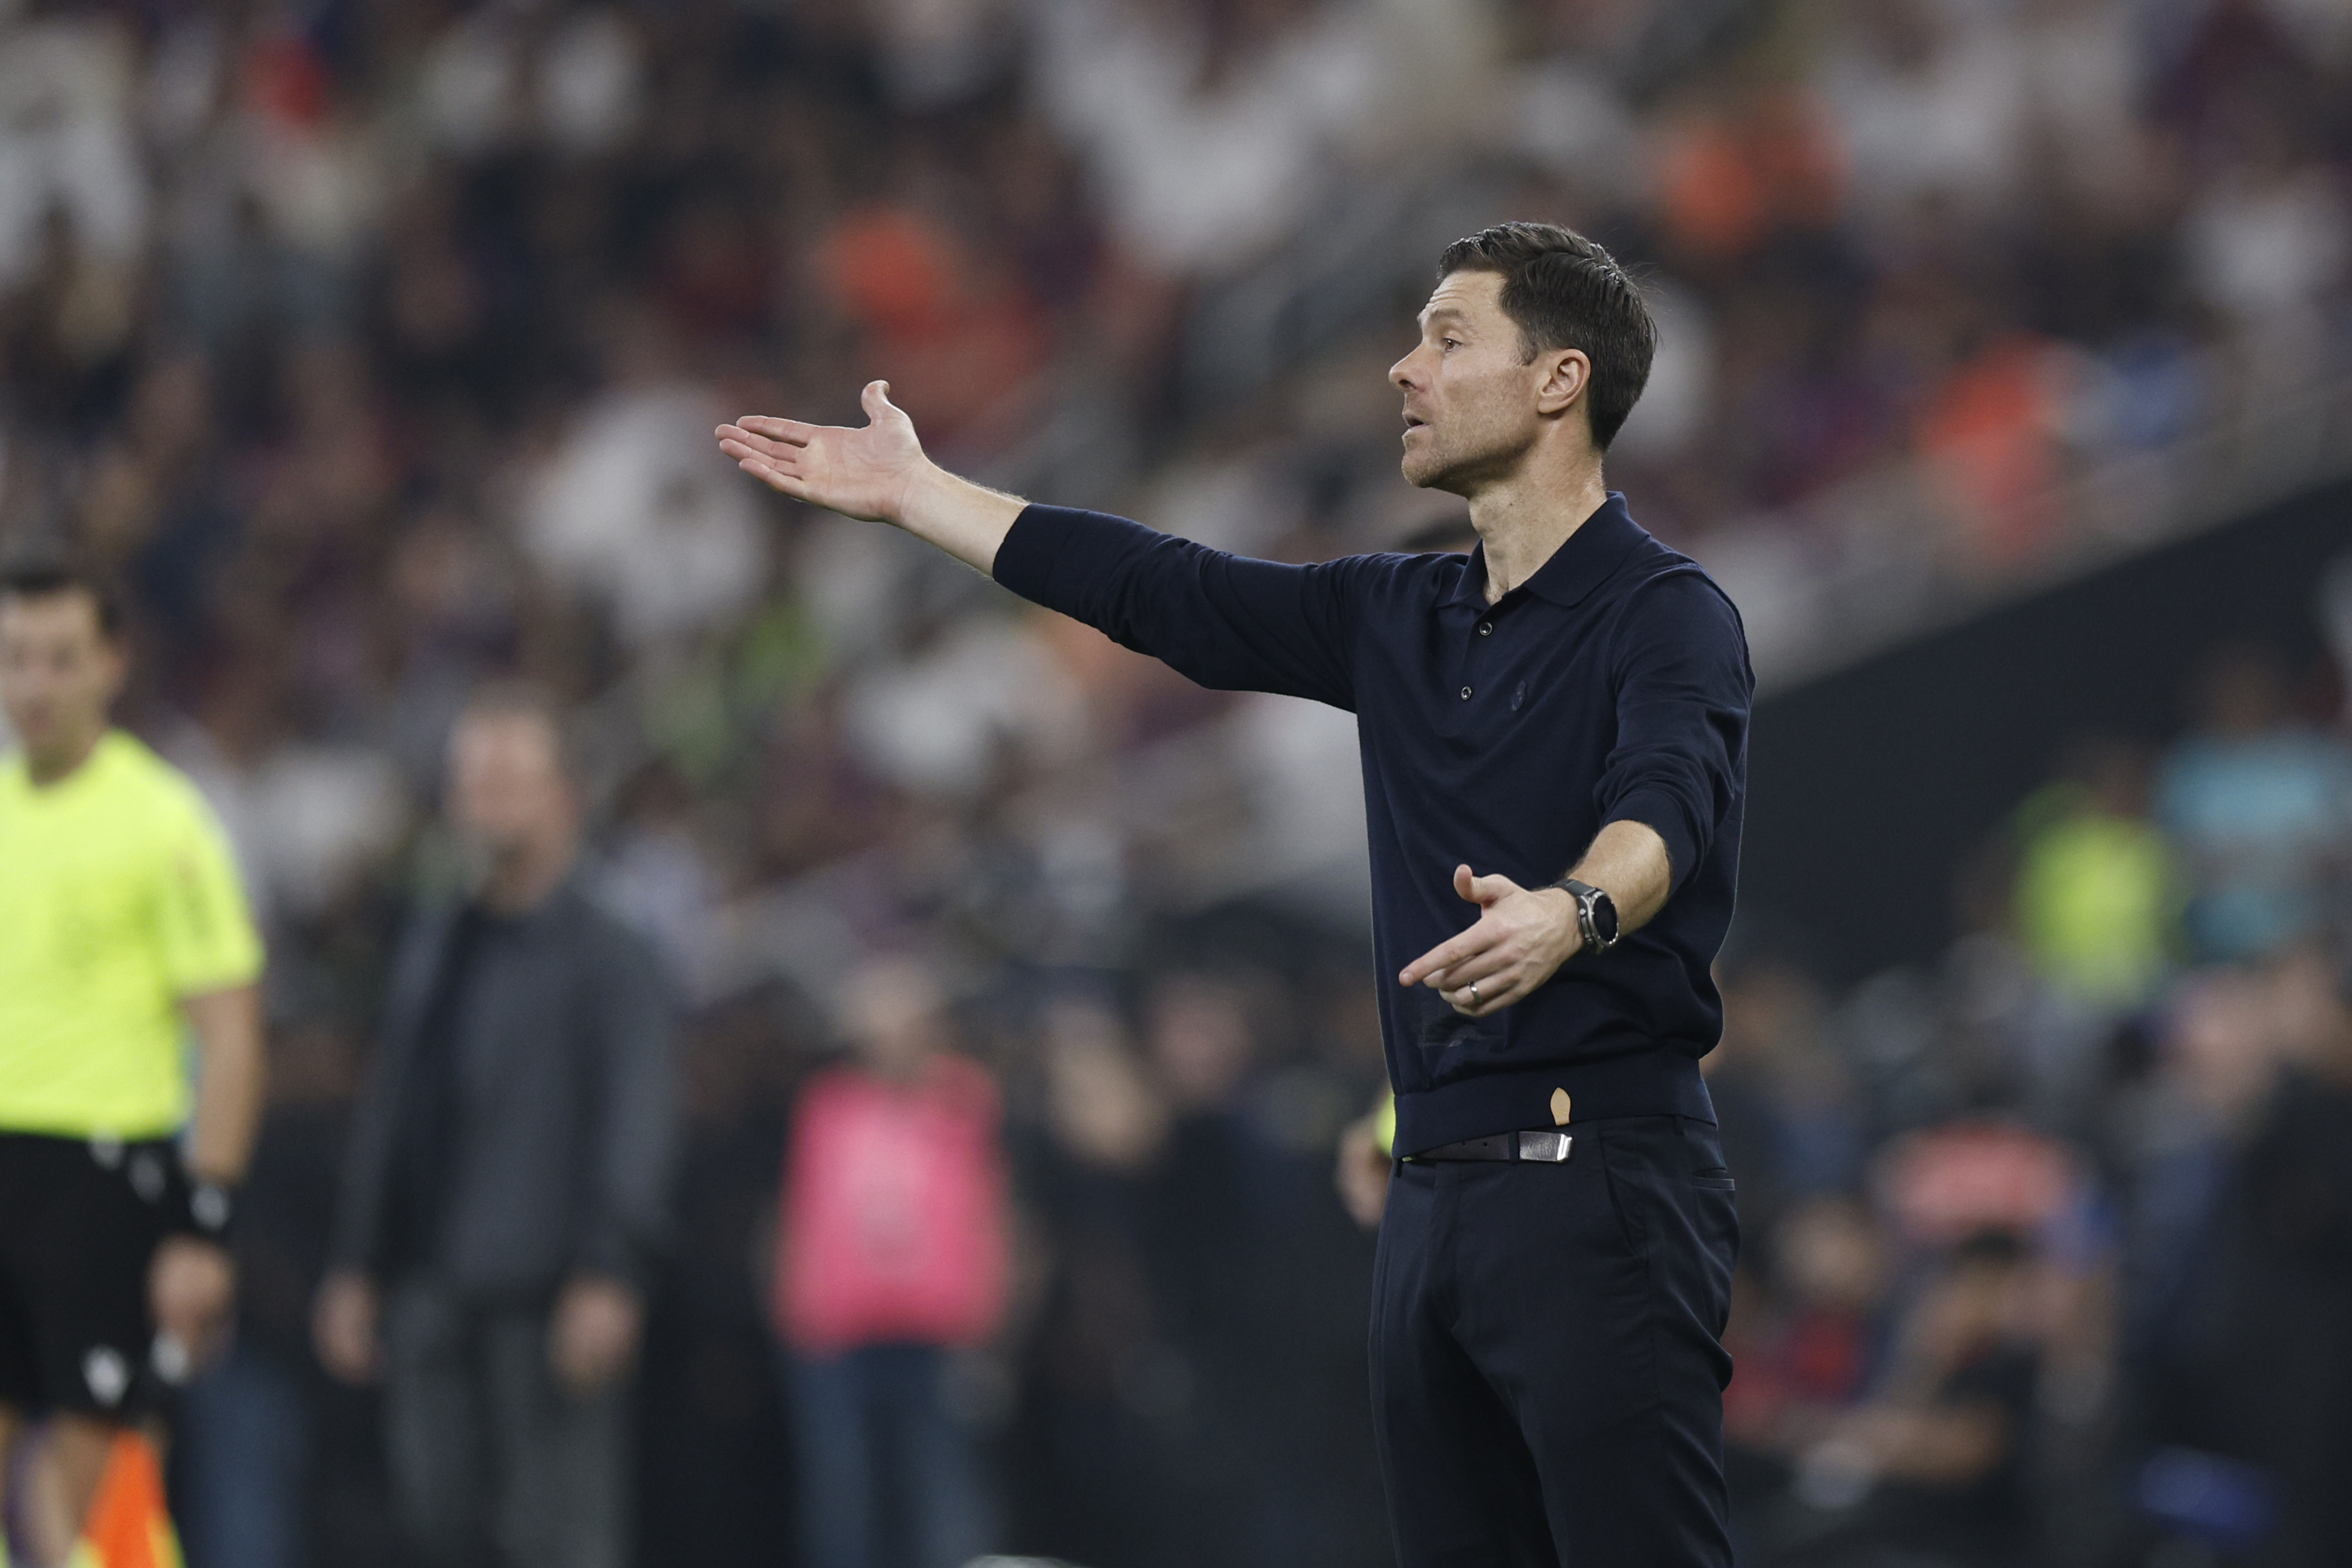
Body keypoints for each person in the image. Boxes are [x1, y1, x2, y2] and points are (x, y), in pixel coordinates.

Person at [718, 220, 1753, 1566]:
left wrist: (1574, 909)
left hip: (1603, 1183)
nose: (1402, 370)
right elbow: (1167, 592)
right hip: (1429, 1196)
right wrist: (924, 497)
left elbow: (1669, 802)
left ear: (1559, 381)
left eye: (1446, 338)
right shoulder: (1401, 611)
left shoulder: (1667, 611)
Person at [312, 684, 676, 1568]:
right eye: (472, 779)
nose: (485, 797)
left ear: (566, 798)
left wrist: (611, 1269)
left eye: (510, 777)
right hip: (433, 1287)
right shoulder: (442, 937)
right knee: (438, 1526)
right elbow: (393, 1106)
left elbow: (638, 1120)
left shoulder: (612, 953)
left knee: (559, 1536)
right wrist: (359, 1262)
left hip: (549, 1291)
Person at [0, 560, 266, 1566]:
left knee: (93, 1477)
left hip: (104, 1178)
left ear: (109, 664)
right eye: (17, 658)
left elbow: (232, 1033)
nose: (35, 684)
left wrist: (205, 1223)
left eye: (61, 659)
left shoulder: (164, 821)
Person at [772, 955, 1008, 1568]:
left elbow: (991, 1213)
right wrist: (793, 1304)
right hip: (836, 1331)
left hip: (937, 1330)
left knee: (939, 1493)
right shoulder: (826, 1104)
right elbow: (800, 1210)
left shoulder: (964, 1100)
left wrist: (994, 1315)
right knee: (843, 1499)